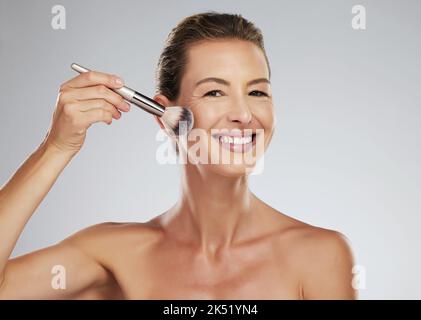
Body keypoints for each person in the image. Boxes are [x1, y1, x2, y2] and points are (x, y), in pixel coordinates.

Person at [0, 12, 357, 299]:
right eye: (215, 92)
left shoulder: (321, 255)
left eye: (258, 92)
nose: (245, 114)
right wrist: (56, 148)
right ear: (166, 117)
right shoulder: (115, 255)